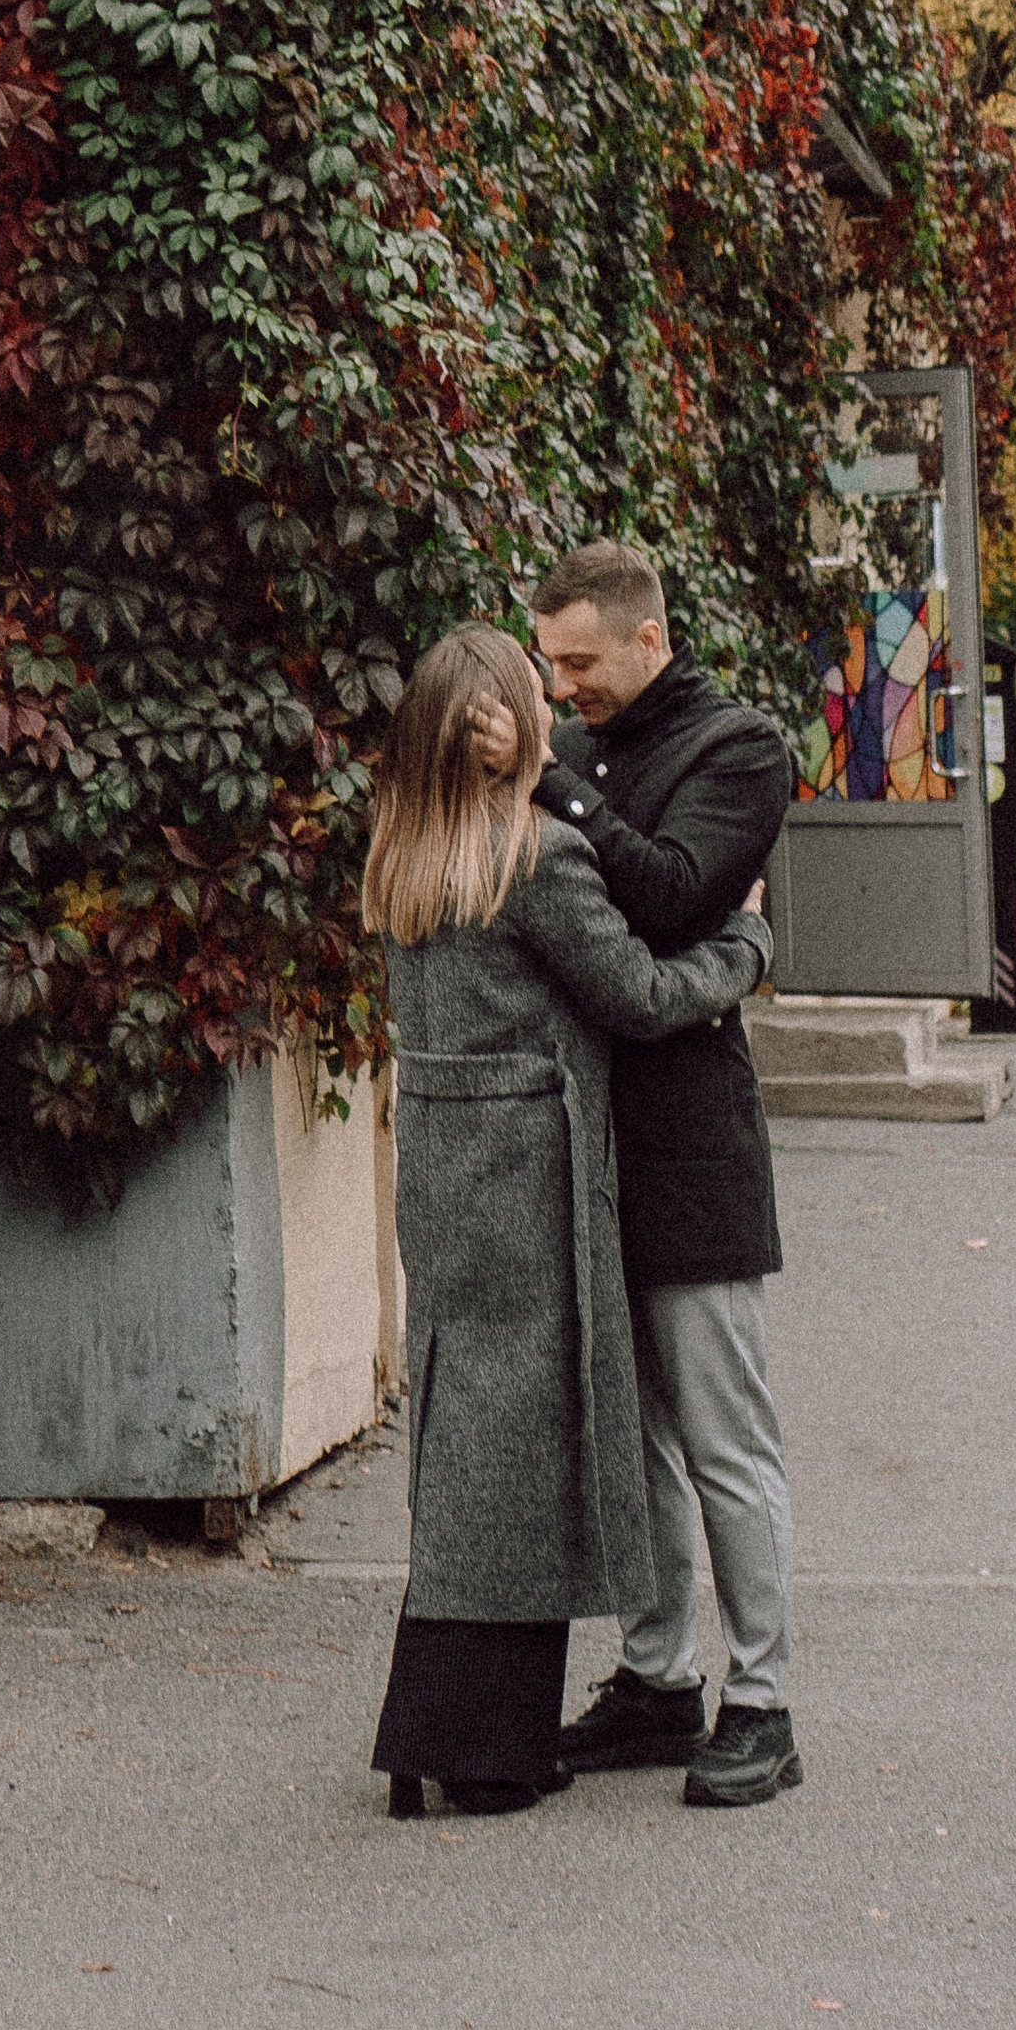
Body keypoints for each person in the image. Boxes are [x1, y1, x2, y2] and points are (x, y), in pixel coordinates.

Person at [364, 622, 772, 1820]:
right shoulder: (533, 854)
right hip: (536, 1172)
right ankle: (484, 1746)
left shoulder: (403, 850)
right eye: (536, 694)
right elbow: (641, 997)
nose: (555, 703)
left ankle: (436, 1728)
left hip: (444, 1170)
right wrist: (744, 946)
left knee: (461, 1433)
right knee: (524, 1445)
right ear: (502, 732)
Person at [532, 538, 803, 1809]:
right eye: (548, 666)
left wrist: (556, 792)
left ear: (649, 640)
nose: (560, 687)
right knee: (630, 1439)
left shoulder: (742, 749)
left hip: (693, 1144)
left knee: (722, 1440)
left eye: (578, 664)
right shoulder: (576, 748)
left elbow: (674, 901)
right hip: (585, 1144)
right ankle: (656, 1681)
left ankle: (764, 1701)